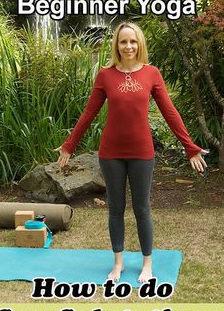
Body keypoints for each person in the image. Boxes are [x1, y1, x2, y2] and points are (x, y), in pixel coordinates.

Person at [56, 21, 208, 283]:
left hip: (142, 153)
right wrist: (69, 145)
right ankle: (118, 263)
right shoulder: (105, 75)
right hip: (111, 153)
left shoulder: (151, 74)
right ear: (117, 45)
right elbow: (89, 113)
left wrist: (190, 147)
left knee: (142, 208)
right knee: (115, 208)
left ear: (140, 44)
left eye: (133, 41)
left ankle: (147, 264)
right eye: (123, 41)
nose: (128, 46)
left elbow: (169, 112)